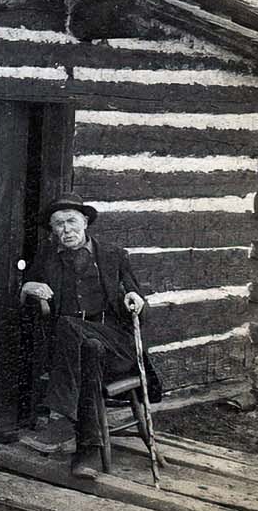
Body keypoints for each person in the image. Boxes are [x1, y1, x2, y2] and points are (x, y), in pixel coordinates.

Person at [18, 193, 163, 479]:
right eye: (58, 224)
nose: (65, 229)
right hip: (80, 352)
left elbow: (141, 313)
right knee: (89, 351)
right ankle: (88, 453)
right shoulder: (47, 260)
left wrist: (135, 298)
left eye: (71, 221)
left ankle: (60, 422)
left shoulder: (113, 256)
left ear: (85, 222)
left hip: (118, 346)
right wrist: (27, 289)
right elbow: (26, 301)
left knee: (70, 328)